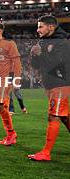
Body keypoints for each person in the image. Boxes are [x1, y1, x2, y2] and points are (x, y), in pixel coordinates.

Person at [28, 15, 70, 161]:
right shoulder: (43, 41)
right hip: (50, 84)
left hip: (61, 83)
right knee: (64, 116)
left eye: (40, 26)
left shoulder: (63, 42)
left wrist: (42, 53)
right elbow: (37, 66)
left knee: (53, 115)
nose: (37, 29)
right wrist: (35, 56)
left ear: (50, 27)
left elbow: (58, 64)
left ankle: (46, 152)